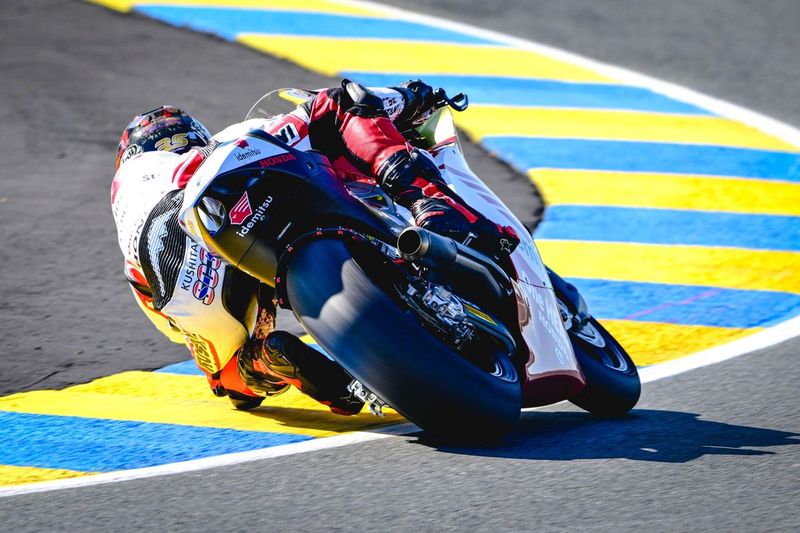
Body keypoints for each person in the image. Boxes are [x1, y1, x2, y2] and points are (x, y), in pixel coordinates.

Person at [111, 79, 519, 414]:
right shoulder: (223, 141)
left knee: (230, 381)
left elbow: (171, 322)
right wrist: (411, 97)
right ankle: (429, 203)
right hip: (219, 189)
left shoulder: (128, 212)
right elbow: (339, 103)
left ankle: (269, 361)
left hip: (170, 263)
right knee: (338, 106)